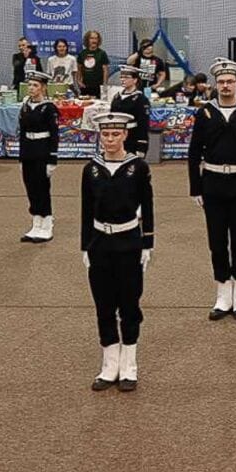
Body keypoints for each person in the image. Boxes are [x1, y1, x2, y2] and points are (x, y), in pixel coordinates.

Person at [81, 111, 155, 392]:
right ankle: (109, 364)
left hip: (128, 242)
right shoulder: (91, 169)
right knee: (104, 305)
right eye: (105, 134)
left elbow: (148, 207)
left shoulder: (138, 167)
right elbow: (86, 210)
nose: (110, 139)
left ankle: (129, 365)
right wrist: (85, 245)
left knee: (129, 305)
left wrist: (147, 243)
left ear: (125, 135)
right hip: (100, 242)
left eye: (115, 134)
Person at [187, 58, 236, 319]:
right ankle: (223, 294)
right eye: (221, 82)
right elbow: (194, 152)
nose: (225, 86)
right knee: (217, 242)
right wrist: (196, 188)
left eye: (230, 81)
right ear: (215, 84)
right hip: (213, 185)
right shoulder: (205, 113)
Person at [17, 70, 60, 243]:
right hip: (28, 150)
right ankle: (36, 223)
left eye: (35, 85)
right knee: (31, 188)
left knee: (42, 188)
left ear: (43, 87)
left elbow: (54, 135)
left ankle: (47, 223)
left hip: (42, 151)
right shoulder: (26, 106)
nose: (31, 88)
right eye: (30, 85)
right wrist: (21, 157)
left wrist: (52, 159)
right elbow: (22, 132)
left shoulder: (49, 108)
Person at [110, 64, 152, 156]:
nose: (123, 80)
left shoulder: (141, 99)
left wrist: (141, 145)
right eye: (121, 77)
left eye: (126, 77)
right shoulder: (117, 97)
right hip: (117, 138)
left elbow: (143, 124)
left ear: (135, 80)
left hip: (132, 137)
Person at [75, 30, 110, 97]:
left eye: (96, 38)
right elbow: (78, 69)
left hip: (98, 86)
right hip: (85, 86)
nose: (94, 40)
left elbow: (105, 70)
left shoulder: (102, 53)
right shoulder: (82, 53)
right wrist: (79, 81)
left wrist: (104, 84)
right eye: (92, 38)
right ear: (87, 39)